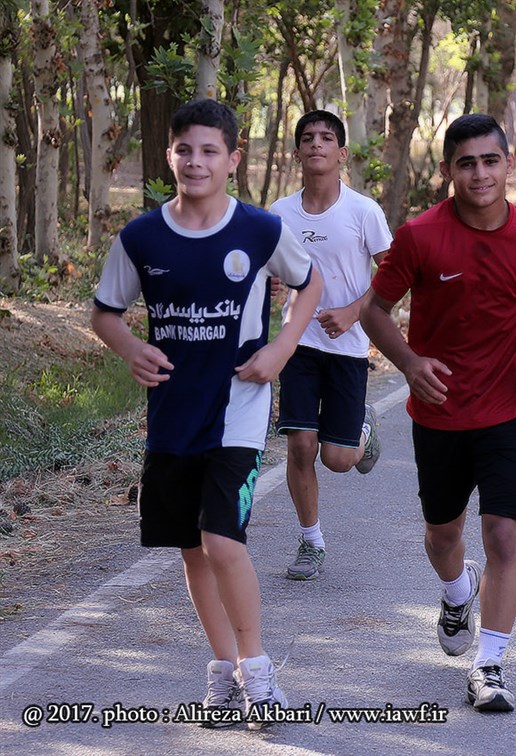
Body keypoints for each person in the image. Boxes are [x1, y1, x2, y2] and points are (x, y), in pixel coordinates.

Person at [91, 99, 322, 728]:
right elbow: (105, 313)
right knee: (192, 548)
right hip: (171, 417)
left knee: (222, 540)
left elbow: (310, 284)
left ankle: (259, 674)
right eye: (185, 150)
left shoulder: (260, 230)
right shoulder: (141, 237)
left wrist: (282, 348)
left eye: (209, 151)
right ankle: (223, 671)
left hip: (237, 412)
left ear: (233, 159)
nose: (196, 162)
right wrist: (131, 348)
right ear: (169, 156)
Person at [360, 113, 516, 713]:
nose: (480, 174)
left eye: (490, 161)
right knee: (443, 535)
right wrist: (410, 363)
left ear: (509, 164)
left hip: (511, 410)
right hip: (440, 415)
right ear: (447, 171)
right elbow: (375, 310)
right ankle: (457, 592)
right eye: (467, 163)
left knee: (504, 535)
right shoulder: (419, 237)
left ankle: (489, 665)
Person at [270, 110, 392, 581]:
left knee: (338, 460)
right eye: (307, 138)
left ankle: (362, 427)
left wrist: (354, 311)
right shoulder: (280, 213)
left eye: (325, 138)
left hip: (348, 346)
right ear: (296, 153)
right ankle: (311, 542)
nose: (316, 144)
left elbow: (394, 275)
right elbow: (269, 272)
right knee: (301, 446)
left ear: (341, 154)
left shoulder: (363, 211)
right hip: (298, 343)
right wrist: (270, 284)